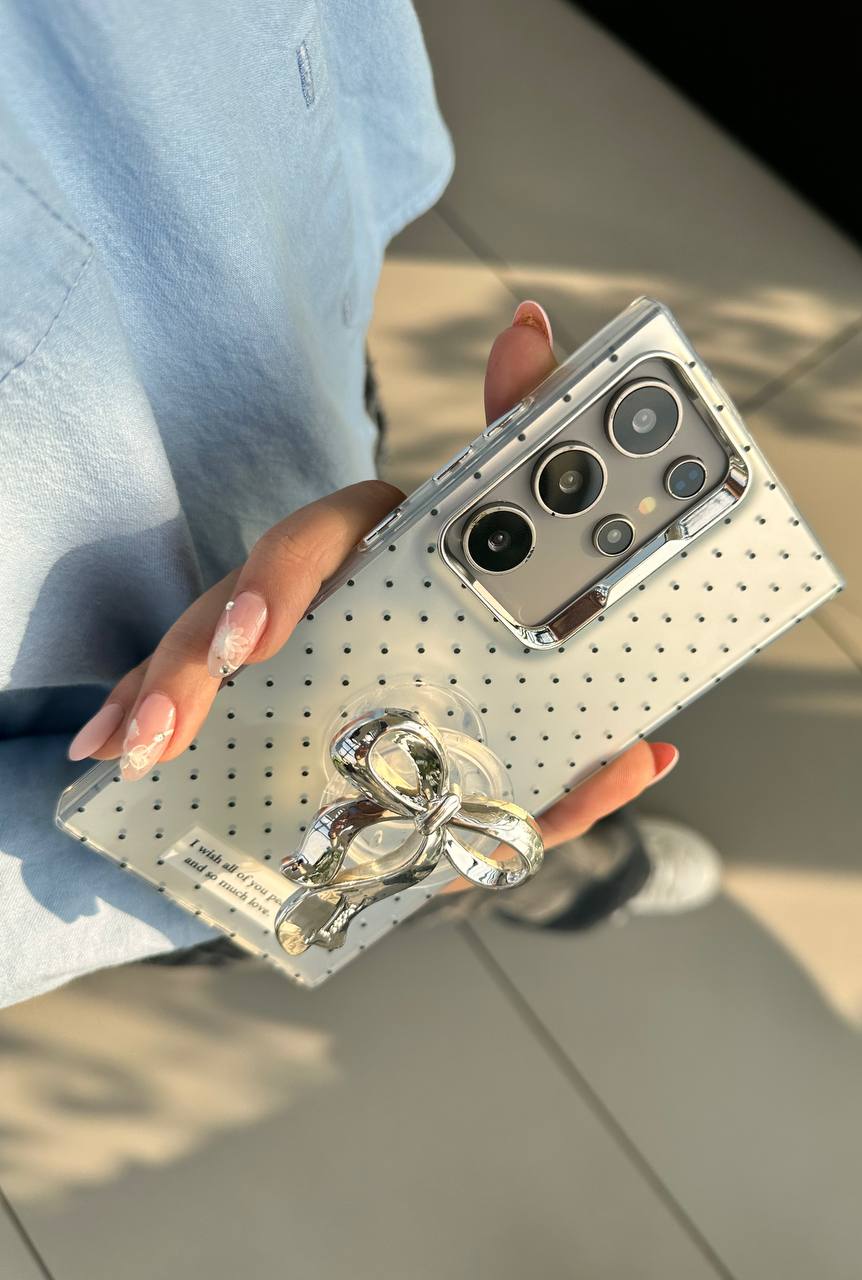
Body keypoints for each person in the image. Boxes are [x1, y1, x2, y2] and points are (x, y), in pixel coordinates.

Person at [0, 1, 718, 1007]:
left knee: (407, 580)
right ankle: (522, 876)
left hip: (254, 309)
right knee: (356, 842)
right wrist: (160, 852)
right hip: (116, 751)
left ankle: (506, 854)